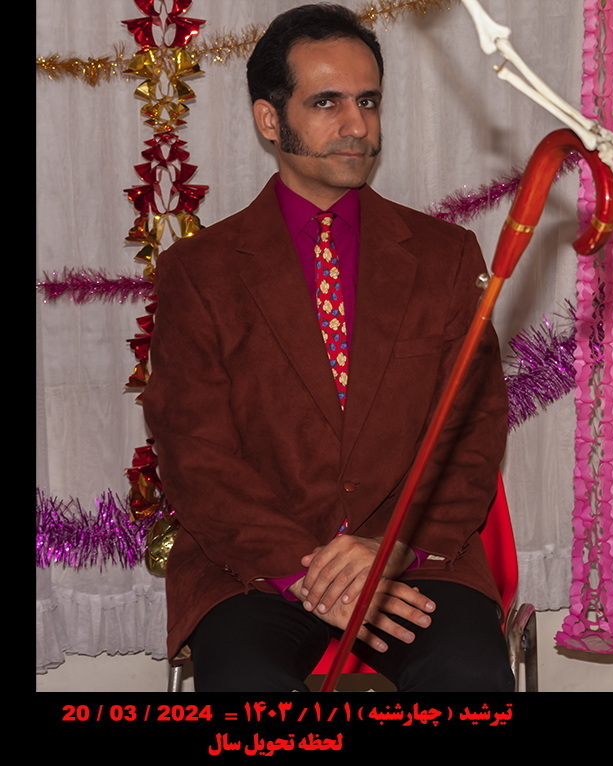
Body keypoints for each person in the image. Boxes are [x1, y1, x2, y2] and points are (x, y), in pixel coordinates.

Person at [142, 3, 512, 692]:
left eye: (368, 101)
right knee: (245, 683)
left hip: (412, 559)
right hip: (252, 569)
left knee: (468, 675)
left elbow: (473, 429)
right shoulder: (201, 271)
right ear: (269, 120)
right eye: (326, 103)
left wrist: (390, 548)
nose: (357, 126)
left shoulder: (445, 256)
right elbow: (195, 452)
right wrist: (307, 572)